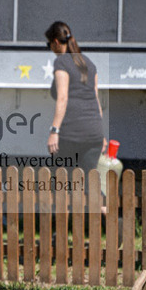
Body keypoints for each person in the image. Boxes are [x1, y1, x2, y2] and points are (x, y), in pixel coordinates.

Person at [45, 20, 105, 180]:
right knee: (91, 185)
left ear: (56, 42)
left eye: (49, 44)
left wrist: (54, 131)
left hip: (72, 133)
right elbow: (96, 100)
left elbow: (63, 98)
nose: (50, 48)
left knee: (61, 181)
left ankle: (63, 206)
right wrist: (101, 134)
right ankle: (103, 206)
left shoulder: (62, 62)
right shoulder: (89, 64)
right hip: (95, 133)